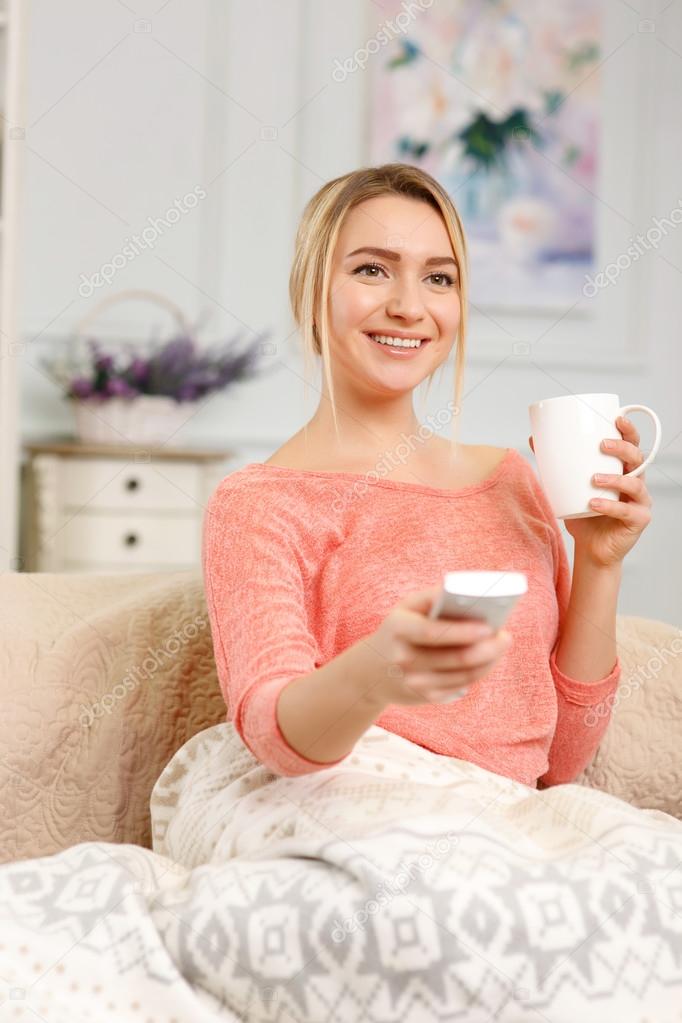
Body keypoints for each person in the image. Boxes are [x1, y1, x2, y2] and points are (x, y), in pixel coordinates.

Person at [202, 162, 653, 789]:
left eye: (438, 278)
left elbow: (561, 758)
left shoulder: (510, 482)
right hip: (356, 817)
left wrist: (599, 562)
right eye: (371, 269)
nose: (408, 306)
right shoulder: (259, 503)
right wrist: (375, 673)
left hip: (507, 831)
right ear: (311, 292)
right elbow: (273, 739)